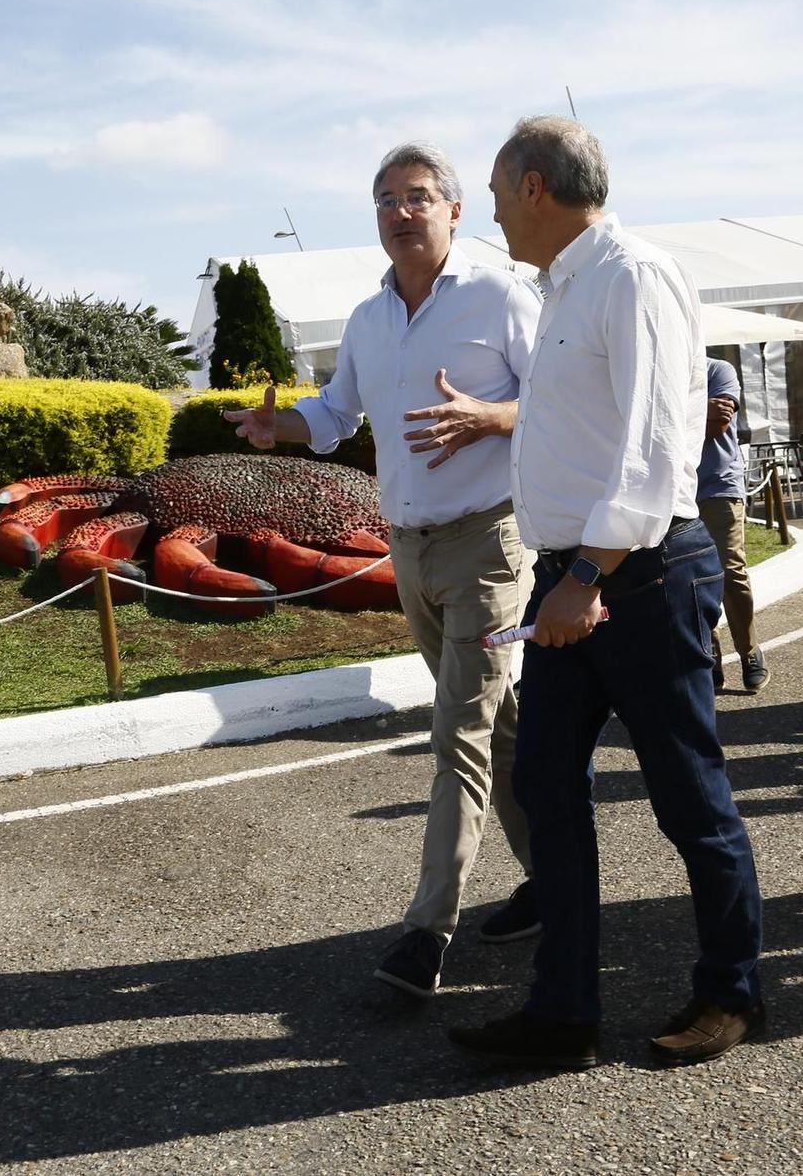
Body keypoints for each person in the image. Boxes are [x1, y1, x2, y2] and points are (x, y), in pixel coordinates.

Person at [447, 117, 764, 1070]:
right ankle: (563, 1011)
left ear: (535, 186)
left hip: (639, 574)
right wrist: (566, 575)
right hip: (572, 578)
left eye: (499, 192)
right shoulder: (565, 286)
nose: (494, 211)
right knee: (548, 788)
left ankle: (730, 991)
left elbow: (659, 449)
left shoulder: (632, 274)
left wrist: (586, 575)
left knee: (687, 797)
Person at [223, 141, 543, 998]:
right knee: (499, 723)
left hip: (490, 545)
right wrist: (279, 426)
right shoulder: (367, 319)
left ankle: (426, 929)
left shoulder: (500, 294)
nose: (401, 212)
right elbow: (335, 412)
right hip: (410, 546)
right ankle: (554, 879)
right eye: (386, 200)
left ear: (454, 212)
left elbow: (556, 399)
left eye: (418, 196)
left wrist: (491, 415)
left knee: (459, 731)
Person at [699, 357, 766, 692]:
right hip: (674, 490)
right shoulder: (658, 369)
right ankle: (709, 654)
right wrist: (699, 406)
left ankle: (749, 650)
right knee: (693, 579)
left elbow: (718, 424)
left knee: (730, 570)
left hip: (719, 486)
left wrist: (672, 410)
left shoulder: (717, 369)